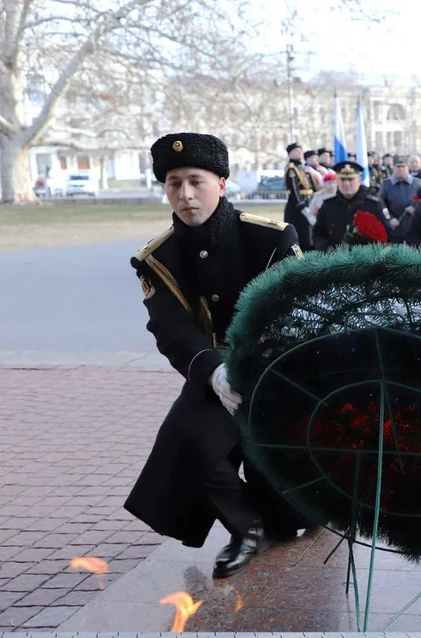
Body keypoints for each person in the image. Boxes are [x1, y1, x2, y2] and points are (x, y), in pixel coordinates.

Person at [125, 132, 309, 579]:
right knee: (184, 442)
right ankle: (246, 527)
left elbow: (298, 314)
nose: (185, 195)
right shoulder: (157, 257)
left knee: (288, 509)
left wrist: (254, 369)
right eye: (173, 184)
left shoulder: (272, 239)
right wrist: (215, 373)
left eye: (196, 181)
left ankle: (278, 516)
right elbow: (170, 329)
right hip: (213, 373)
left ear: (222, 184)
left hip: (274, 372)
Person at [312, 161, 388, 251]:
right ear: (337, 181)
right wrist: (326, 248)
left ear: (359, 181)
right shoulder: (328, 205)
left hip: (367, 259)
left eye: (351, 179)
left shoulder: (373, 204)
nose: (346, 184)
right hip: (335, 259)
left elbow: (387, 233)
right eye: (342, 180)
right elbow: (318, 234)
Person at [378, 155, 421, 243]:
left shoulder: (417, 183)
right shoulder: (386, 184)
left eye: (403, 166)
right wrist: (389, 218)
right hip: (394, 229)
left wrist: (415, 210)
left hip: (413, 228)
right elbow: (381, 205)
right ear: (393, 168)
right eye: (398, 166)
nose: (400, 169)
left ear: (408, 167)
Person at [283, 142, 314, 249]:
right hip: (297, 205)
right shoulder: (292, 168)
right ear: (290, 154)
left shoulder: (300, 167)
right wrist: (301, 205)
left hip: (307, 201)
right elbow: (294, 189)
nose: (299, 153)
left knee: (308, 231)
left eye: (300, 151)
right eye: (296, 151)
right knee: (303, 231)